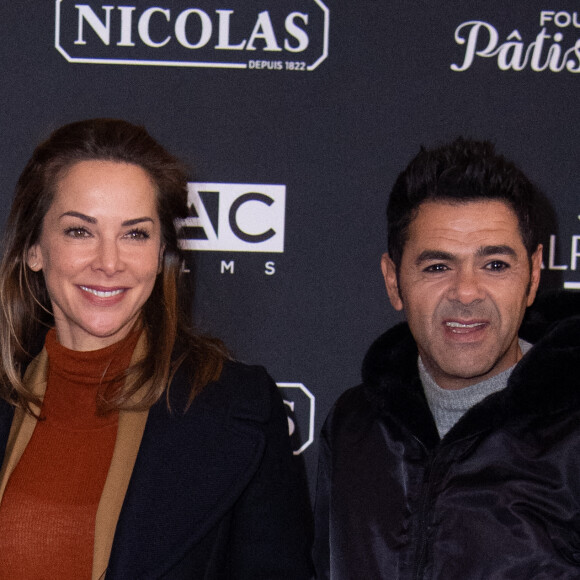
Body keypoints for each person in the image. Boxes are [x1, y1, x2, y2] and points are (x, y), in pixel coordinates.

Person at [0, 118, 313, 579]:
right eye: (80, 231)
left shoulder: (237, 408)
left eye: (135, 234)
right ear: (34, 248)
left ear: (163, 252)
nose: (109, 263)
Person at [313, 138, 580, 579]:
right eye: (437, 267)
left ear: (533, 277)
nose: (467, 291)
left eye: (495, 264)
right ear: (394, 282)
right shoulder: (354, 425)